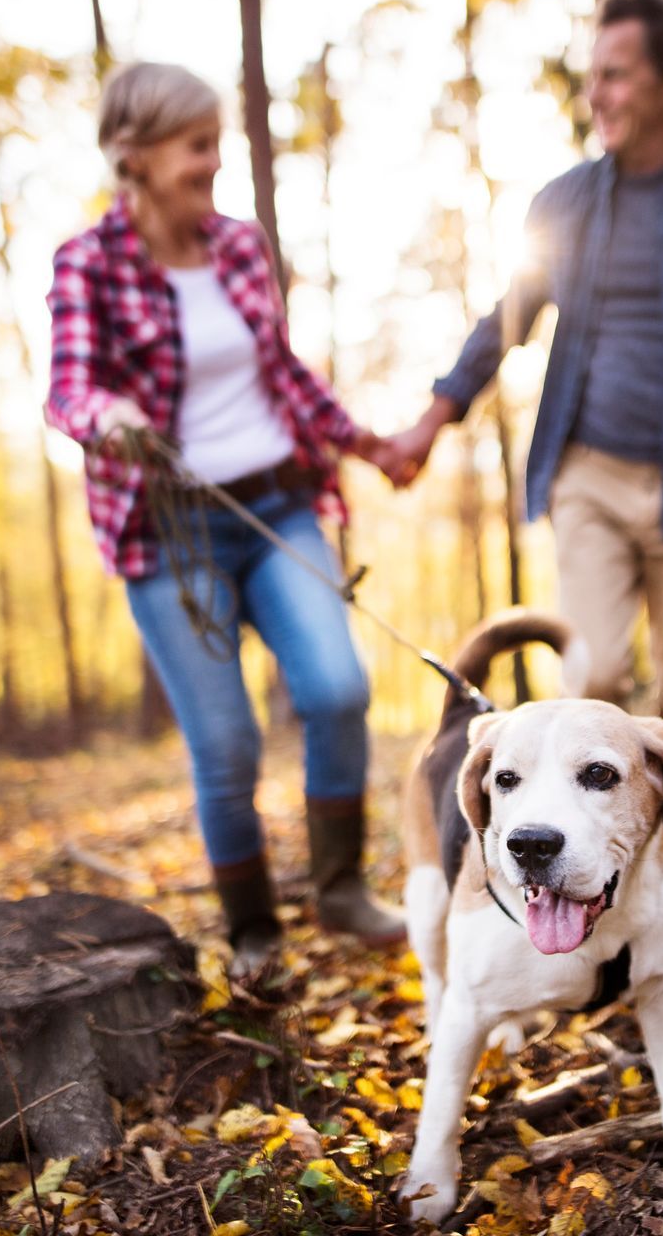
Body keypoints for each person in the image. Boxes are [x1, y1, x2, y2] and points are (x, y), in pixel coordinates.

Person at [387, 0, 663, 800]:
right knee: (594, 676)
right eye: (596, 75)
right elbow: (504, 322)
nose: (599, 93)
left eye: (618, 76)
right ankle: (595, 872)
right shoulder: (564, 202)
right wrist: (431, 421)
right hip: (588, 472)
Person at [45, 61, 405, 979]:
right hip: (170, 534)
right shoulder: (88, 262)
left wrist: (365, 442)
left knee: (336, 689)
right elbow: (68, 390)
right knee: (227, 743)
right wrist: (106, 419)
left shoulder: (241, 248)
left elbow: (284, 374)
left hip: (276, 504)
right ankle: (253, 933)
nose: (213, 162)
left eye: (215, 143)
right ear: (137, 153)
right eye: (197, 144)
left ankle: (339, 887)